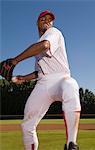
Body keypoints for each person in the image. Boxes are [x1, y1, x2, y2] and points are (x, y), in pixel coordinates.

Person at [11, 10, 81, 150]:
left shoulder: (54, 32)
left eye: (50, 19)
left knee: (70, 85)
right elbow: (38, 72)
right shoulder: (37, 47)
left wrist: (15, 61)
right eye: (43, 19)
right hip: (43, 84)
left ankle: (71, 144)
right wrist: (23, 78)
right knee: (27, 124)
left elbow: (44, 45)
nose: (47, 21)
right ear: (37, 23)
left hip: (61, 78)